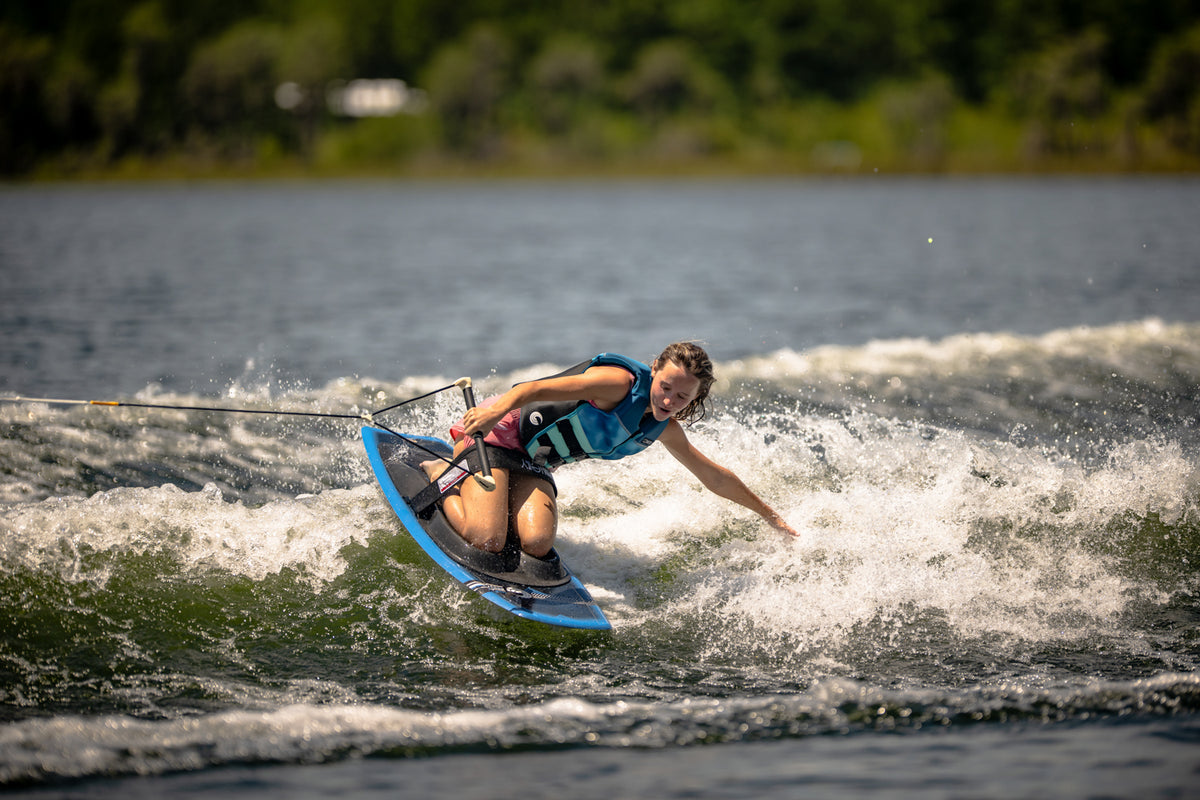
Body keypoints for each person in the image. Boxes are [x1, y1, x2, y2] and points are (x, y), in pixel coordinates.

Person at [423, 342, 798, 558]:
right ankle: (440, 471)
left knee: (536, 543)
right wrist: (491, 414)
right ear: (654, 369)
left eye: (682, 396)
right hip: (492, 435)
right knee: (488, 540)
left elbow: (714, 476)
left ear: (696, 397)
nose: (669, 399)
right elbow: (531, 389)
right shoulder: (617, 384)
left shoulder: (663, 428)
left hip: (531, 462)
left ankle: (490, 496)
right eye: (666, 385)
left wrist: (772, 517)